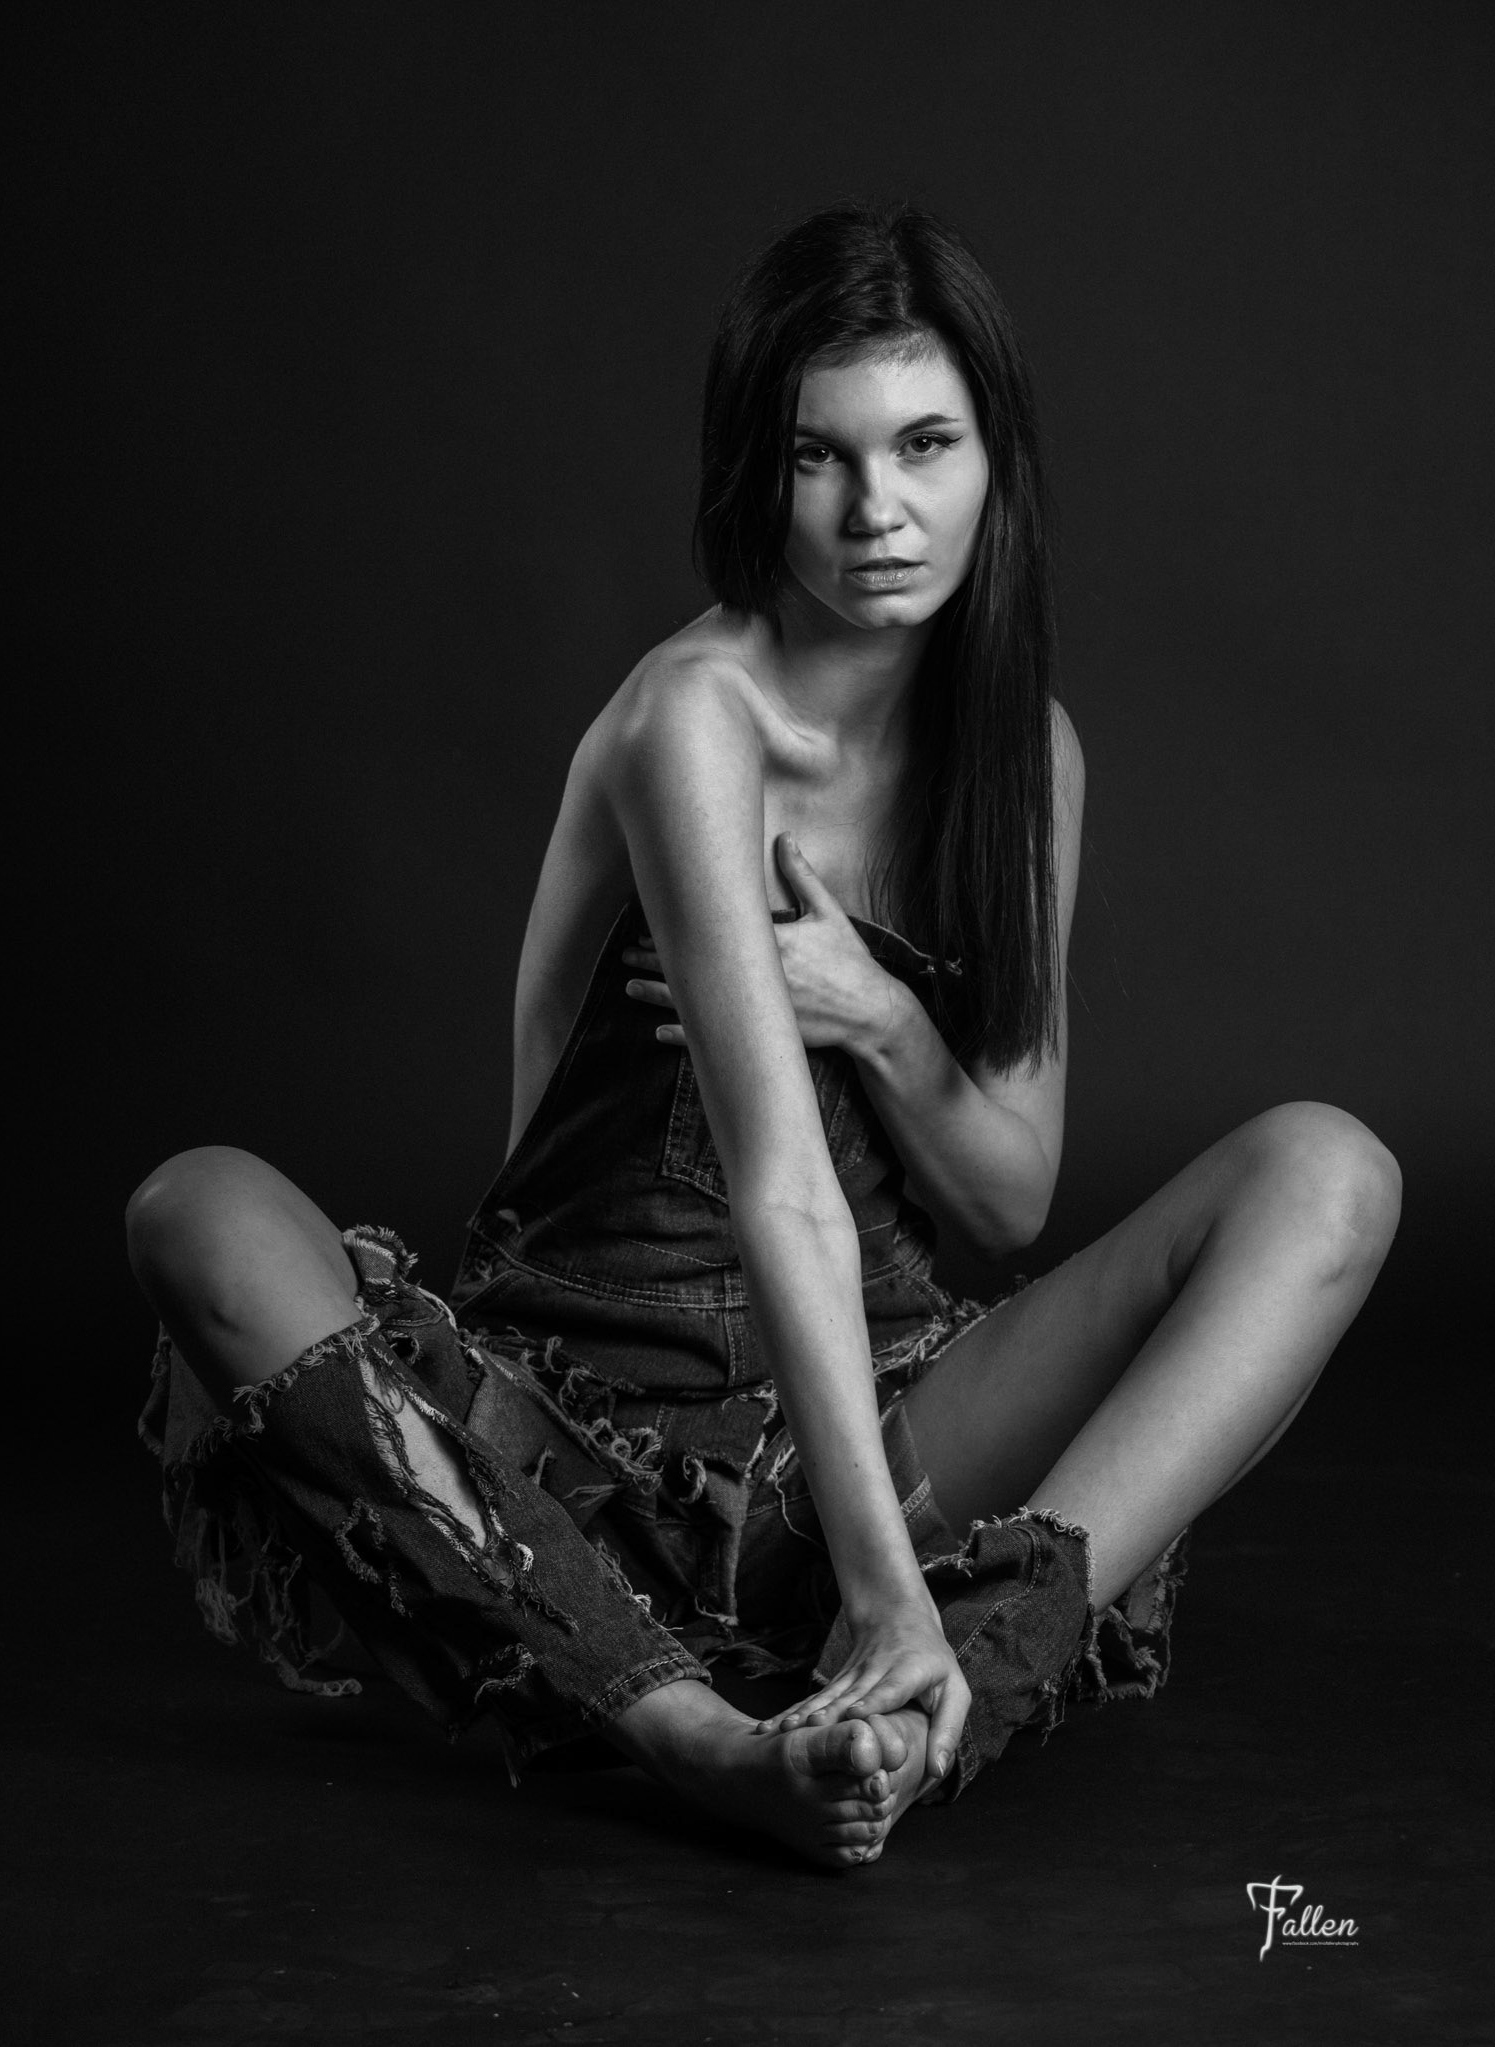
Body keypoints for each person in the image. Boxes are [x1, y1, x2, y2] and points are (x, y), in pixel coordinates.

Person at [127, 203, 1401, 1872]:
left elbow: (1008, 1198)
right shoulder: (694, 718)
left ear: (994, 461)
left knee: (1327, 1172)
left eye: (925, 444)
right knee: (198, 1207)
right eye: (821, 456)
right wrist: (878, 1590)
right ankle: (698, 1734)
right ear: (758, 470)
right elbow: (776, 1186)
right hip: (575, 1455)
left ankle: (959, 1693)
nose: (878, 511)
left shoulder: (1026, 757)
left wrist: (877, 1012)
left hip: (874, 1427)